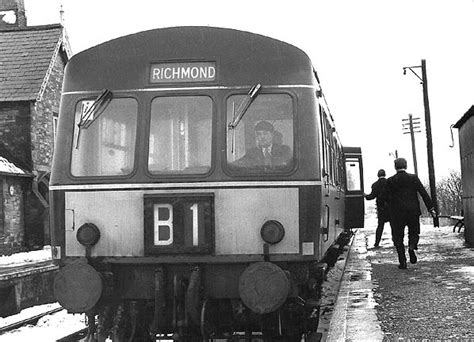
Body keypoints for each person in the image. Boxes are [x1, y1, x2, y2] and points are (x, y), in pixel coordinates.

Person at [385, 158, 437, 269]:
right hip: (413, 211)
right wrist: (431, 208)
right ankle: (412, 247)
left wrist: (388, 212)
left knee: (398, 237)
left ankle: (402, 261)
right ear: (406, 165)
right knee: (414, 232)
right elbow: (423, 193)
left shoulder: (390, 181)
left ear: (395, 167)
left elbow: (386, 198)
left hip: (397, 213)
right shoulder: (413, 178)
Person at [365, 169, 389, 248]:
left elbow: (371, 196)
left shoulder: (375, 185)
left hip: (381, 208)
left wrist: (365, 195)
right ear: (385, 174)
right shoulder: (389, 182)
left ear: (378, 175)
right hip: (390, 208)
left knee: (380, 226)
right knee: (394, 226)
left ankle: (377, 243)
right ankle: (396, 242)